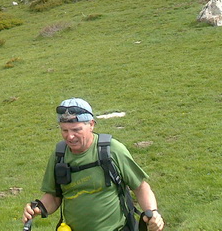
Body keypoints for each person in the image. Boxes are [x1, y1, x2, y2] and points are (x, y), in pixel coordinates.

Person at [22, 98, 165, 231]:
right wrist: (37, 208)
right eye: (64, 130)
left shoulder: (112, 150)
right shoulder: (59, 155)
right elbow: (54, 197)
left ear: (91, 125)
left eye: (76, 130)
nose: (70, 136)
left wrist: (152, 212)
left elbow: (140, 187)